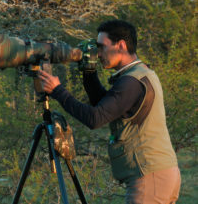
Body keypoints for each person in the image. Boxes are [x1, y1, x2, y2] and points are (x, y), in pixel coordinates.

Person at [38, 20, 181, 204]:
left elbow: (95, 118)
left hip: (149, 177)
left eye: (102, 47)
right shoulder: (139, 74)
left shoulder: (131, 82)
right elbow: (106, 107)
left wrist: (58, 90)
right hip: (160, 173)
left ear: (120, 45)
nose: (98, 54)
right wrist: (89, 73)